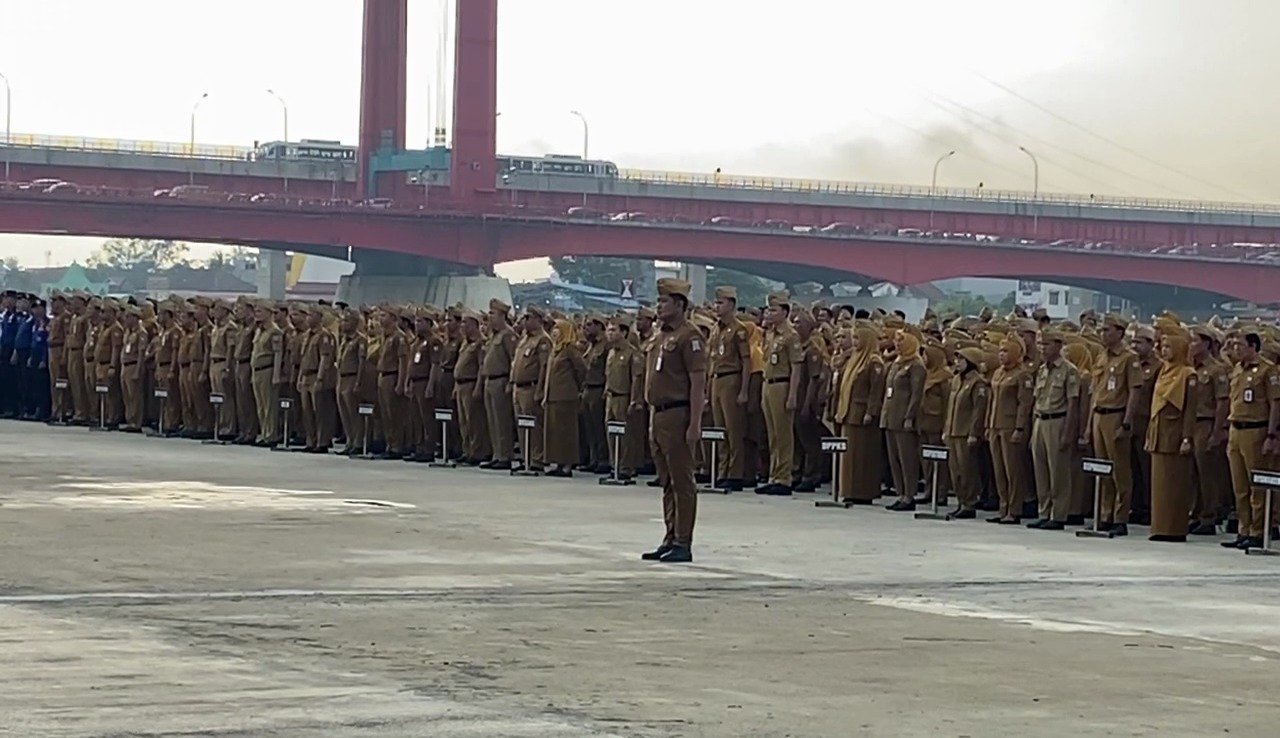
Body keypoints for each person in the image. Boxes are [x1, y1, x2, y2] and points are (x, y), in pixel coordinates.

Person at [640, 278, 706, 564]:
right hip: (659, 414)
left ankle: (683, 541)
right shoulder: (660, 334)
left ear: (679, 305)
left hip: (678, 413)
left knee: (682, 481)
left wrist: (694, 424)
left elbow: (697, 382)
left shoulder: (689, 336)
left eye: (664, 301)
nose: (659, 306)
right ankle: (670, 536)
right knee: (666, 481)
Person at [1222, 331, 1280, 550]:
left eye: (1240, 345)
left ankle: (1258, 530)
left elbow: (1275, 403)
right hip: (1236, 429)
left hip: (1256, 430)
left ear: (1253, 347)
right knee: (1240, 485)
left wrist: (1271, 434)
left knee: (1257, 484)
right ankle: (1243, 529)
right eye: (1234, 345)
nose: (1236, 349)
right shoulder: (1237, 369)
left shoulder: (1267, 370)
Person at [1146, 332, 1199, 542]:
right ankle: (1159, 526)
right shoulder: (1163, 372)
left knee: (1175, 484)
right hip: (1158, 433)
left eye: (1168, 347)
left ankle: (1174, 529)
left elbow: (1190, 410)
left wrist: (1187, 438)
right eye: (1163, 346)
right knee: (1159, 485)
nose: (1163, 350)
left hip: (1175, 434)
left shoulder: (1188, 374)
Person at [1028, 329, 1081, 530]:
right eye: (1041, 344)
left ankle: (1058, 514)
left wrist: (1068, 433)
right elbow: (1036, 400)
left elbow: (1073, 404)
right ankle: (1044, 511)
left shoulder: (1069, 371)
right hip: (1040, 420)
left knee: (1058, 470)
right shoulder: (1042, 370)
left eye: (1047, 344)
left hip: (1058, 421)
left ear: (1059, 346)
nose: (1042, 348)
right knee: (1040, 469)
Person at [832, 322, 886, 504]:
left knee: (862, 456)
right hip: (849, 412)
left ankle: (863, 491)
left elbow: (875, 391)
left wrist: (871, 411)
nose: (854, 342)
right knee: (849, 456)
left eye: (857, 338)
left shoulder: (873, 361)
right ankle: (848, 489)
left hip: (862, 415)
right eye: (853, 337)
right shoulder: (854, 359)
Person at [758, 290, 803, 496]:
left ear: (785, 312)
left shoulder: (791, 336)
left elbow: (796, 367)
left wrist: (792, 394)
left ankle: (784, 477)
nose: (769, 313)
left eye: (774, 310)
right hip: (768, 383)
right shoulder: (770, 333)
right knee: (773, 434)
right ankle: (773, 474)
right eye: (768, 309)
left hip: (782, 385)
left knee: (783, 433)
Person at [1188, 325, 1230, 535]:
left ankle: (1209, 516)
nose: (1191, 345)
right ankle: (1195, 513)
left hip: (1206, 422)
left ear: (1206, 343)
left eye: (1195, 341)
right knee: (1192, 473)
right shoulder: (1189, 368)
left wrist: (1217, 430)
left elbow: (1222, 402)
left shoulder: (1216, 370)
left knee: (1207, 473)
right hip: (1190, 423)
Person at [709, 286, 751, 491]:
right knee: (720, 430)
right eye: (716, 303)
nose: (717, 307)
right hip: (716, 379)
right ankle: (722, 470)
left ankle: (735, 473)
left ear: (732, 305)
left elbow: (746, 361)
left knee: (734, 430)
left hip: (732, 379)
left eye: (721, 303)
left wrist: (744, 390)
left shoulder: (739, 329)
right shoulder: (716, 329)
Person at [987, 337, 1033, 524]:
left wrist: (1019, 427)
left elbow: (1025, 404)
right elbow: (991, 400)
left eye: (1006, 352)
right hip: (995, 425)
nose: (1001, 355)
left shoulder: (1022, 375)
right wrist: (987, 424)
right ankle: (1003, 506)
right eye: (1000, 351)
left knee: (1013, 470)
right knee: (998, 470)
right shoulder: (998, 373)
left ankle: (1014, 510)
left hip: (1010, 426)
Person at [881, 329, 926, 511]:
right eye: (896, 341)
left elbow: (916, 394)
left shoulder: (916, 365)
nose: (897, 344)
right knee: (894, 458)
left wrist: (910, 416)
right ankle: (900, 493)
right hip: (890, 416)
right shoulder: (896, 363)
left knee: (907, 458)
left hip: (904, 417)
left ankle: (910, 494)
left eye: (901, 341)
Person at [944, 346, 989, 518]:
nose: (957, 363)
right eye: (956, 359)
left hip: (965, 432)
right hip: (953, 430)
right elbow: (950, 406)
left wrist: (973, 433)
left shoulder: (978, 382)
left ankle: (969, 503)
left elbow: (978, 411)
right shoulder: (956, 380)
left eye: (961, 359)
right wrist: (946, 429)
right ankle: (961, 500)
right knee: (955, 470)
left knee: (967, 469)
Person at [543, 317, 587, 477]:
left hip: (566, 396)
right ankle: (558, 462)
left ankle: (568, 464)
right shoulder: (556, 349)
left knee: (567, 432)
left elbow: (581, 369)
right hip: (553, 396)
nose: (554, 331)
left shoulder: (570, 349)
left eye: (557, 328)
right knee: (555, 432)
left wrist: (576, 387)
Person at [604, 314, 645, 480]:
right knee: (611, 432)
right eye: (609, 330)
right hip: (611, 397)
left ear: (624, 332)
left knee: (626, 434)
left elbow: (636, 378)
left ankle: (626, 466)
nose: (610, 333)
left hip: (624, 397)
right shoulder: (611, 352)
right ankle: (614, 465)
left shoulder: (632, 353)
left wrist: (634, 400)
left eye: (614, 330)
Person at [511, 307, 551, 472]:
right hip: (518, 387)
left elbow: (544, 366)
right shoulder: (524, 339)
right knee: (521, 424)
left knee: (534, 425)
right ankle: (525, 456)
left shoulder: (543, 340)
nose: (525, 321)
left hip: (531, 386)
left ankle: (537, 458)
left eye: (529, 318)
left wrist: (540, 389)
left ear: (539, 320)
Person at [481, 298, 518, 469]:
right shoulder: (493, 335)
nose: (490, 317)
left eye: (493, 314)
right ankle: (497, 453)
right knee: (492, 420)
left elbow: (513, 360)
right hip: (489, 380)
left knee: (502, 420)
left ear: (502, 315)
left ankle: (505, 455)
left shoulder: (508, 335)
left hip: (501, 380)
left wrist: (510, 382)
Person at [454, 309, 491, 465]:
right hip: (461, 384)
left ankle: (478, 451)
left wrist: (478, 387)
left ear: (475, 325)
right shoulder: (465, 343)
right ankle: (467, 449)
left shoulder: (480, 343)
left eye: (465, 323)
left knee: (474, 420)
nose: (462, 326)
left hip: (471, 384)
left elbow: (481, 366)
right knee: (463, 421)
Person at [917, 342, 952, 506]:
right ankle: (929, 489)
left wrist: (946, 424)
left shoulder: (945, 377)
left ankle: (941, 492)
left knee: (939, 460)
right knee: (926, 460)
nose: (923, 359)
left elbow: (947, 403)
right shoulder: (926, 374)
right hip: (923, 421)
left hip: (937, 423)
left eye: (926, 355)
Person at [250, 300, 285, 447]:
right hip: (256, 371)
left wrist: (276, 375)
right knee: (261, 405)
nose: (256, 314)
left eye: (259, 311)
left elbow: (278, 354)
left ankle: (271, 435)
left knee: (269, 405)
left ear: (268, 313)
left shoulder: (274, 331)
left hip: (267, 370)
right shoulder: (259, 330)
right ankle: (264, 432)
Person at [578, 314, 609, 473]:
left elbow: (609, 370)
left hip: (599, 388)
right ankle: (593, 457)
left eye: (590, 325)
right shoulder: (591, 346)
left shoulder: (606, 345)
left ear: (599, 326)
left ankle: (603, 459)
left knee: (599, 427)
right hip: (588, 388)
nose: (587, 328)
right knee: (590, 428)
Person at [118, 305, 147, 432]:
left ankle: (136, 422)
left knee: (134, 395)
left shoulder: (141, 333)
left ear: (135, 318)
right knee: (127, 395)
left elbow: (141, 353)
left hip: (133, 365)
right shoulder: (128, 332)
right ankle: (129, 419)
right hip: (125, 366)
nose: (126, 319)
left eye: (128, 317)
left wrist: (137, 371)